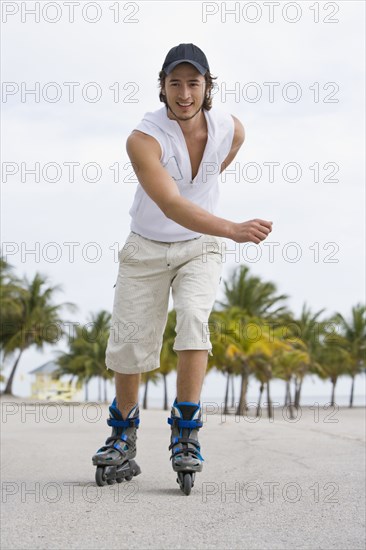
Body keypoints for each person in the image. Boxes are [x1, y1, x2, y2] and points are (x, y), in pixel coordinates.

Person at [92, 43, 273, 493]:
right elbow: (172, 203)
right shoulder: (143, 139)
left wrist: (213, 226)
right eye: (175, 83)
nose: (185, 93)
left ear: (208, 86)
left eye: (194, 83)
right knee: (130, 341)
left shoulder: (231, 129)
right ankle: (123, 435)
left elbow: (207, 176)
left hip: (200, 246)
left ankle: (186, 435)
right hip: (146, 247)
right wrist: (230, 227)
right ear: (163, 87)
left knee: (194, 320)